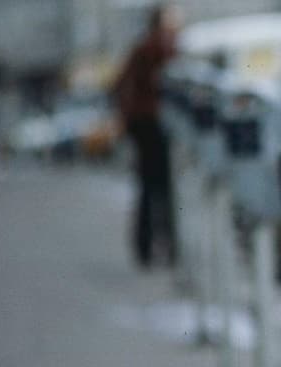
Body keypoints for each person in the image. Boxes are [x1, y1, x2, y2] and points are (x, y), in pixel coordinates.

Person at [113, 4, 181, 268]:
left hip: (142, 125)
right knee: (163, 189)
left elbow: (121, 84)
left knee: (148, 189)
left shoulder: (142, 49)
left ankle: (147, 247)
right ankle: (168, 246)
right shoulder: (158, 49)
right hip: (154, 125)